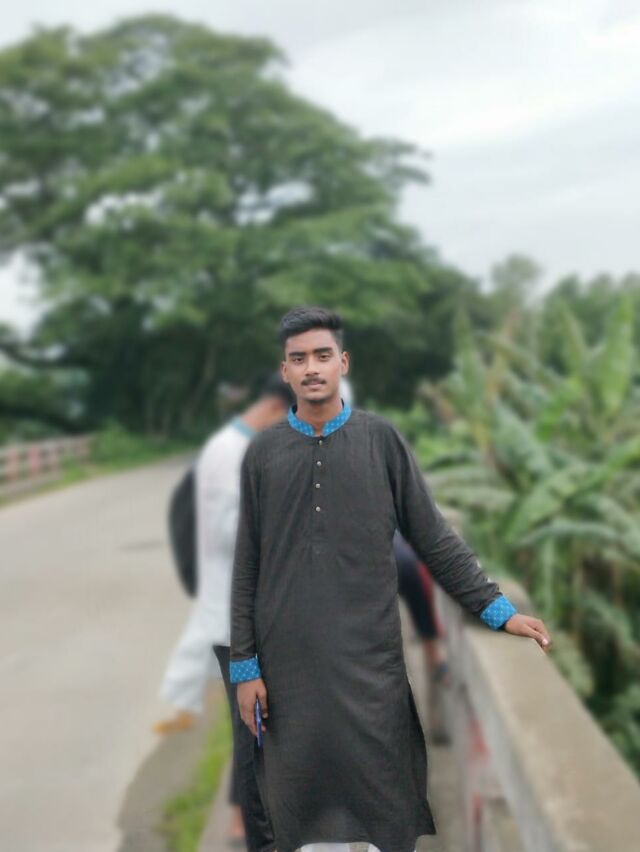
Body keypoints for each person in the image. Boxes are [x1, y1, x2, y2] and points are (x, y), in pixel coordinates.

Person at [229, 306, 552, 852]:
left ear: (343, 363)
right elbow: (247, 567)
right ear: (285, 371)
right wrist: (245, 666)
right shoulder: (262, 454)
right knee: (306, 821)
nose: (312, 368)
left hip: (370, 668)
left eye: (322, 356)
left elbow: (434, 539)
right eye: (298, 359)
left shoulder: (380, 441)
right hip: (289, 676)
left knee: (387, 811)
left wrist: (498, 611)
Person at [154, 372, 293, 851]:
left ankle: (244, 822)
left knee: (253, 720)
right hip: (232, 611)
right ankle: (243, 827)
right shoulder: (230, 452)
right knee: (252, 722)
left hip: (237, 607)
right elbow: (226, 532)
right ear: (275, 409)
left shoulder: (232, 447)